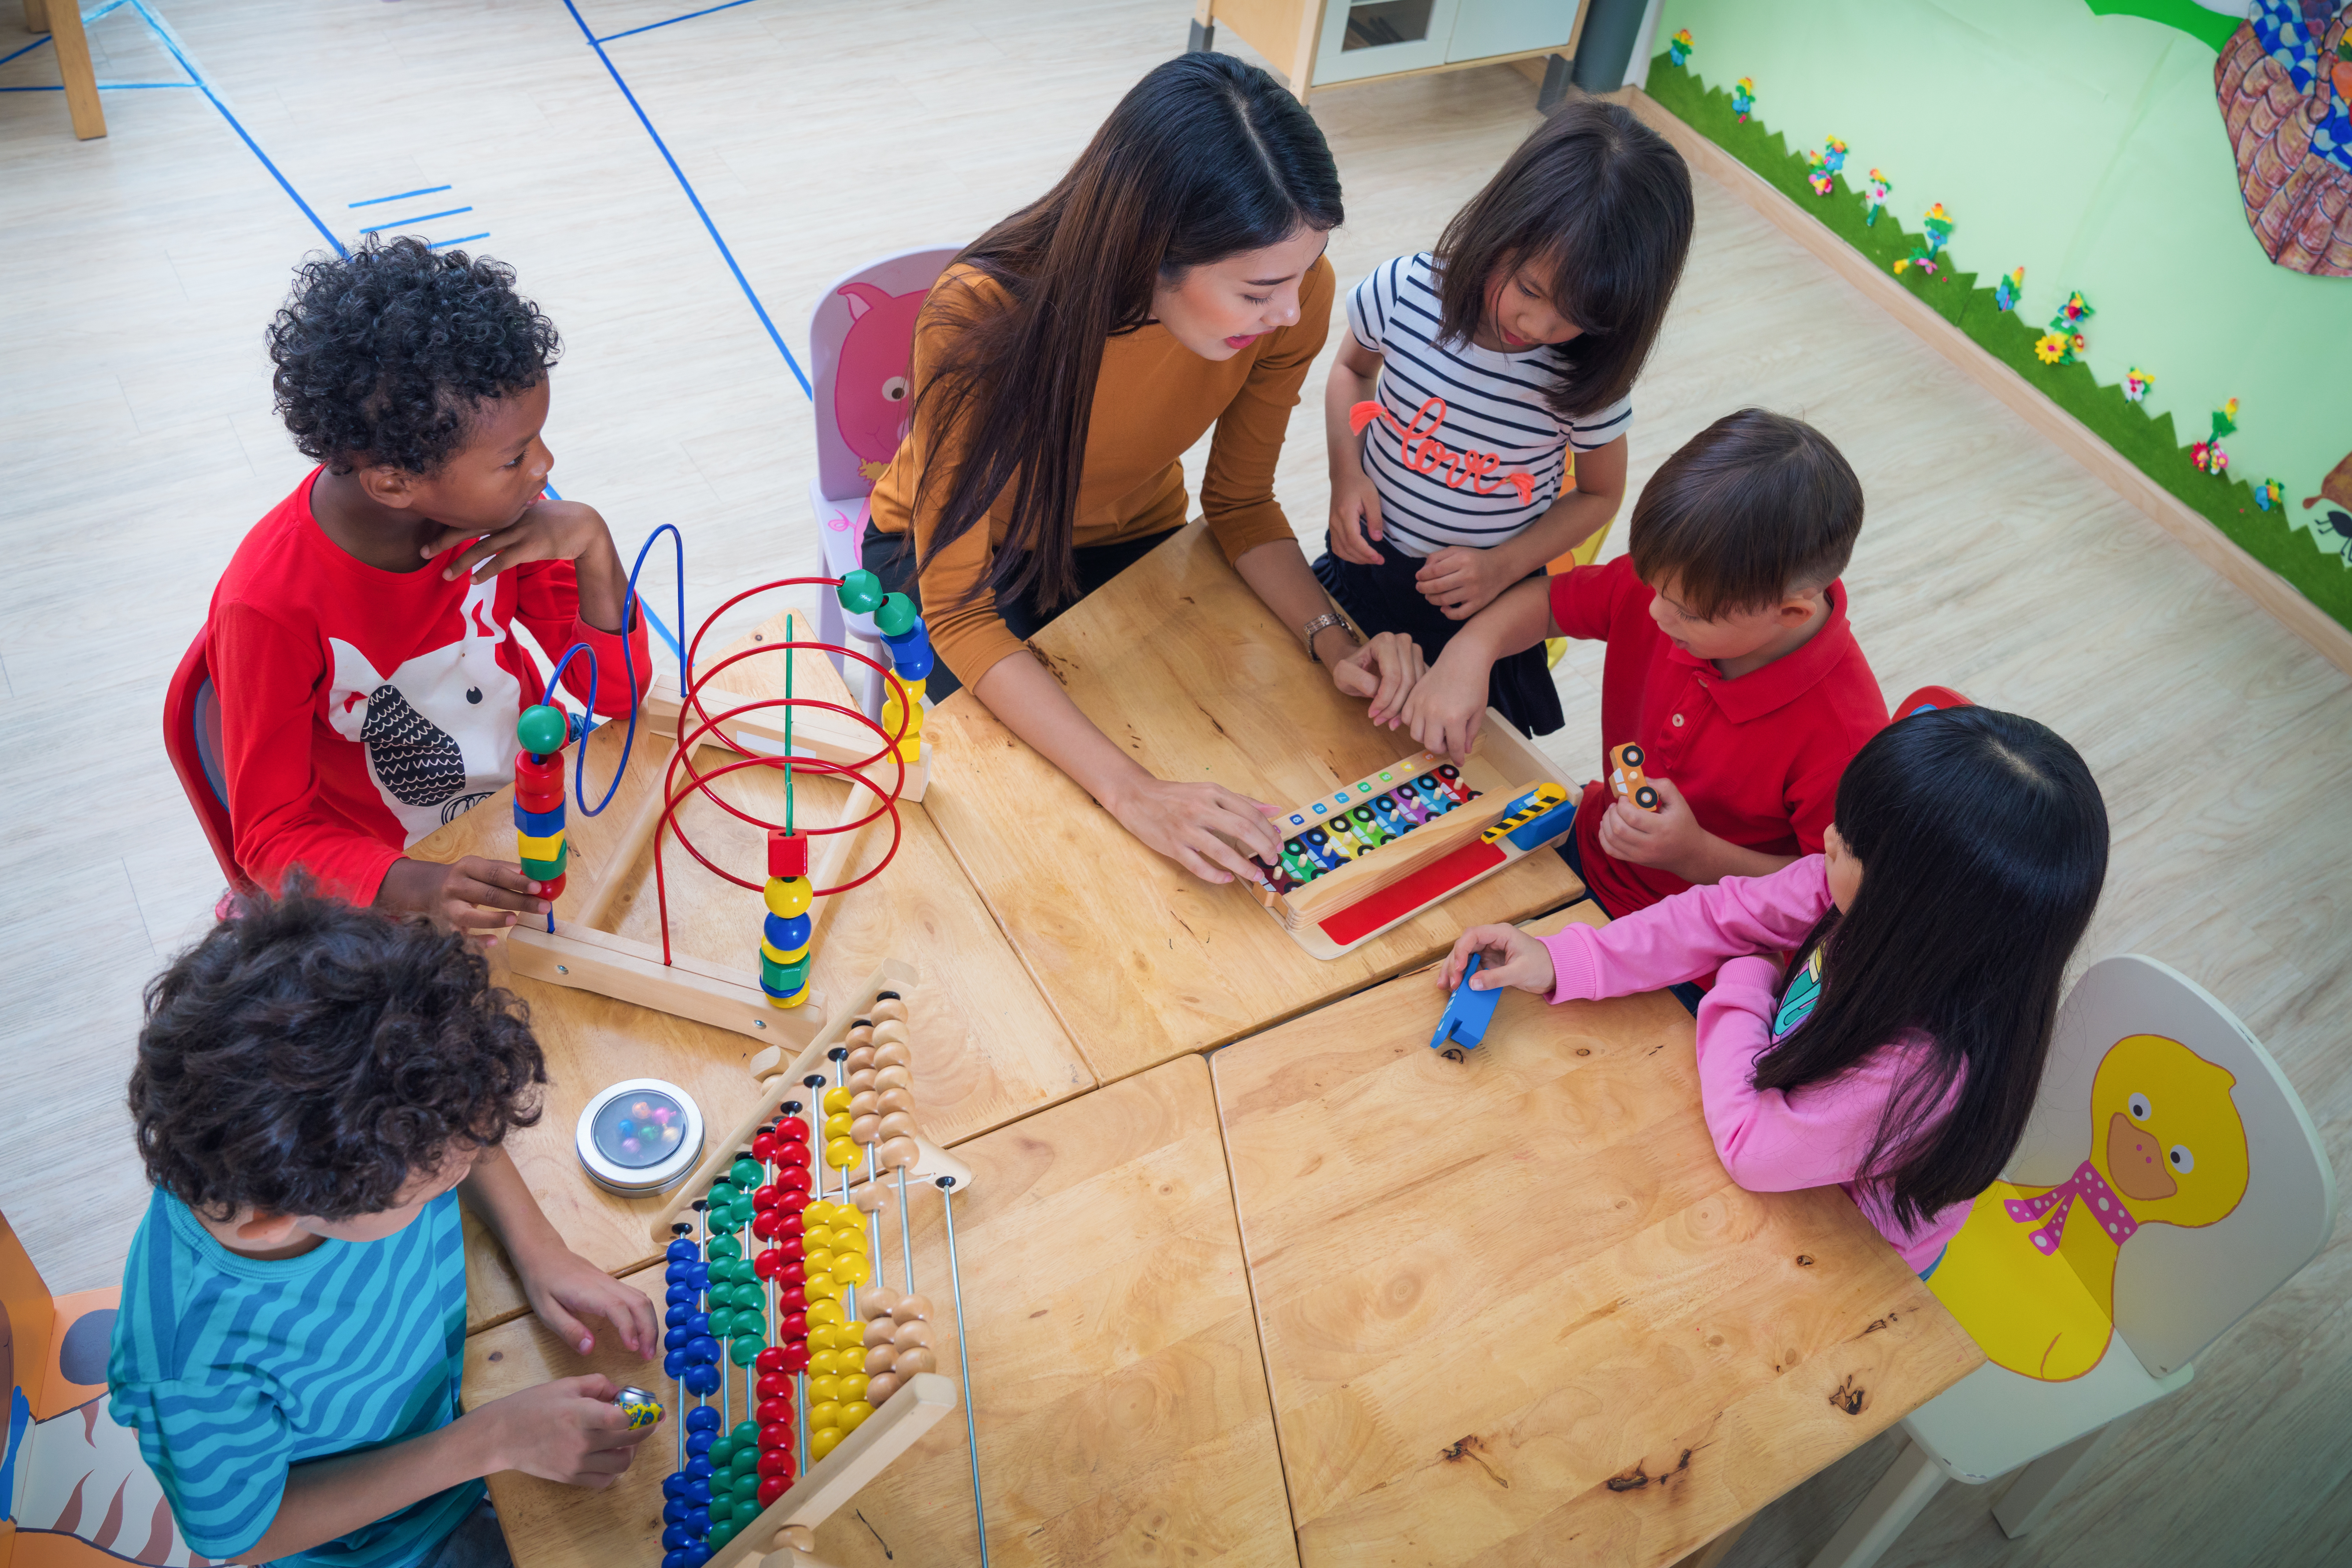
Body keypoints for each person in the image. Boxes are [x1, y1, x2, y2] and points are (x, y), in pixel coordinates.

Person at [864, 54, 1424, 887]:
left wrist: (1331, 639)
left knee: (1231, 748)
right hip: (948, 563)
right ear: (1150, 252)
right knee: (1018, 838)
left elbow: (1239, 503)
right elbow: (958, 613)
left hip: (1134, 535)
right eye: (1258, 288)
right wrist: (1134, 793)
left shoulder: (1291, 303)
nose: (1292, 311)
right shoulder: (978, 314)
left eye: (1305, 272)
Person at [1441, 705, 2111, 1276]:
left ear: (1914, 907)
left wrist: (1744, 979)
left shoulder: (1919, 1069)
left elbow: (1753, 1149)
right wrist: (1564, 959)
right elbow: (1715, 916)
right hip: (1779, 1132)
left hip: (1848, 1249)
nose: (1824, 840)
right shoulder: (1845, 888)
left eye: (1847, 844)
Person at [108, 885, 661, 1568]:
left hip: (466, 1399)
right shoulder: (193, 1366)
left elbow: (455, 1124)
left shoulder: (346, 1146)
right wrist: (490, 1443)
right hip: (394, 1536)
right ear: (277, 1223)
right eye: (438, 1179)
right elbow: (247, 1535)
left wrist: (541, 1248)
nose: (466, 1163)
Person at [208, 236, 652, 939]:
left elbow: (621, 699)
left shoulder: (501, 520)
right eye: (514, 457)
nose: (546, 465)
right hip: (397, 882)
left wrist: (594, 546)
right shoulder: (267, 606)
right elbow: (269, 839)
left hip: (520, 813)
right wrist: (424, 886)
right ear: (394, 482)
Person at [1400, 411, 1887, 981]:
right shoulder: (1686, 581)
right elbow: (1553, 603)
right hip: (1585, 849)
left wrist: (1695, 854)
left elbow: (1828, 895)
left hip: (1705, 953)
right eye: (1654, 588)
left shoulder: (1847, 735)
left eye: (1685, 613)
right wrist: (1469, 652)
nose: (1654, 612)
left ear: (1792, 613)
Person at [1318, 99, 1693, 737]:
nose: (1538, 327)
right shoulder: (1404, 292)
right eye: (1529, 289)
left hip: (1479, 607)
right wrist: (1345, 475)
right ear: (1499, 223)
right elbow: (1350, 372)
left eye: (1575, 314)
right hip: (1362, 573)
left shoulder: (1584, 376)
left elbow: (1601, 494)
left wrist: (1504, 564)